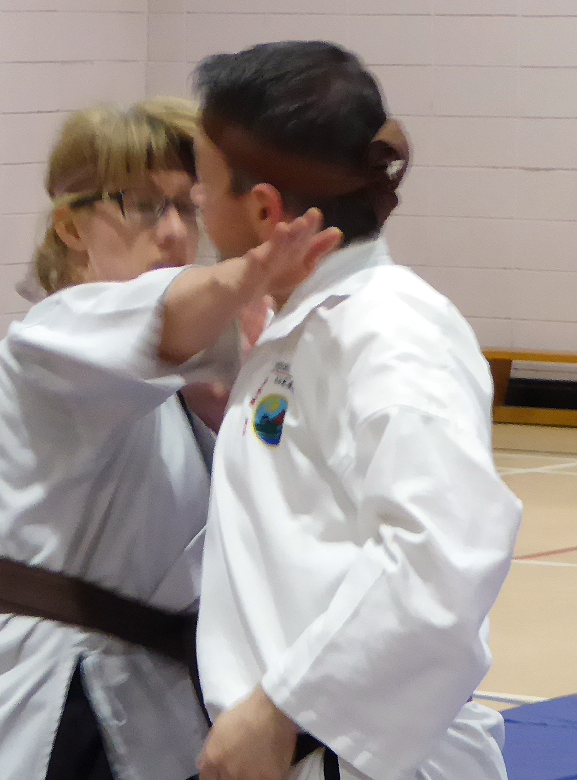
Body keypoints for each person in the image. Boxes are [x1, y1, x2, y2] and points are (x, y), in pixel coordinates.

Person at [0, 98, 338, 780]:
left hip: (165, 703)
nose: (171, 232)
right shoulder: (50, 341)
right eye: (141, 205)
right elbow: (170, 314)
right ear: (70, 226)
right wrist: (254, 270)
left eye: (188, 208)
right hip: (54, 704)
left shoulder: (201, 369)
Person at [186, 42, 524, 780]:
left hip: (361, 756)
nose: (197, 203)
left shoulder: (390, 330)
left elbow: (442, 555)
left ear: (265, 208)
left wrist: (279, 710)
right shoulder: (308, 325)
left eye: (204, 181)